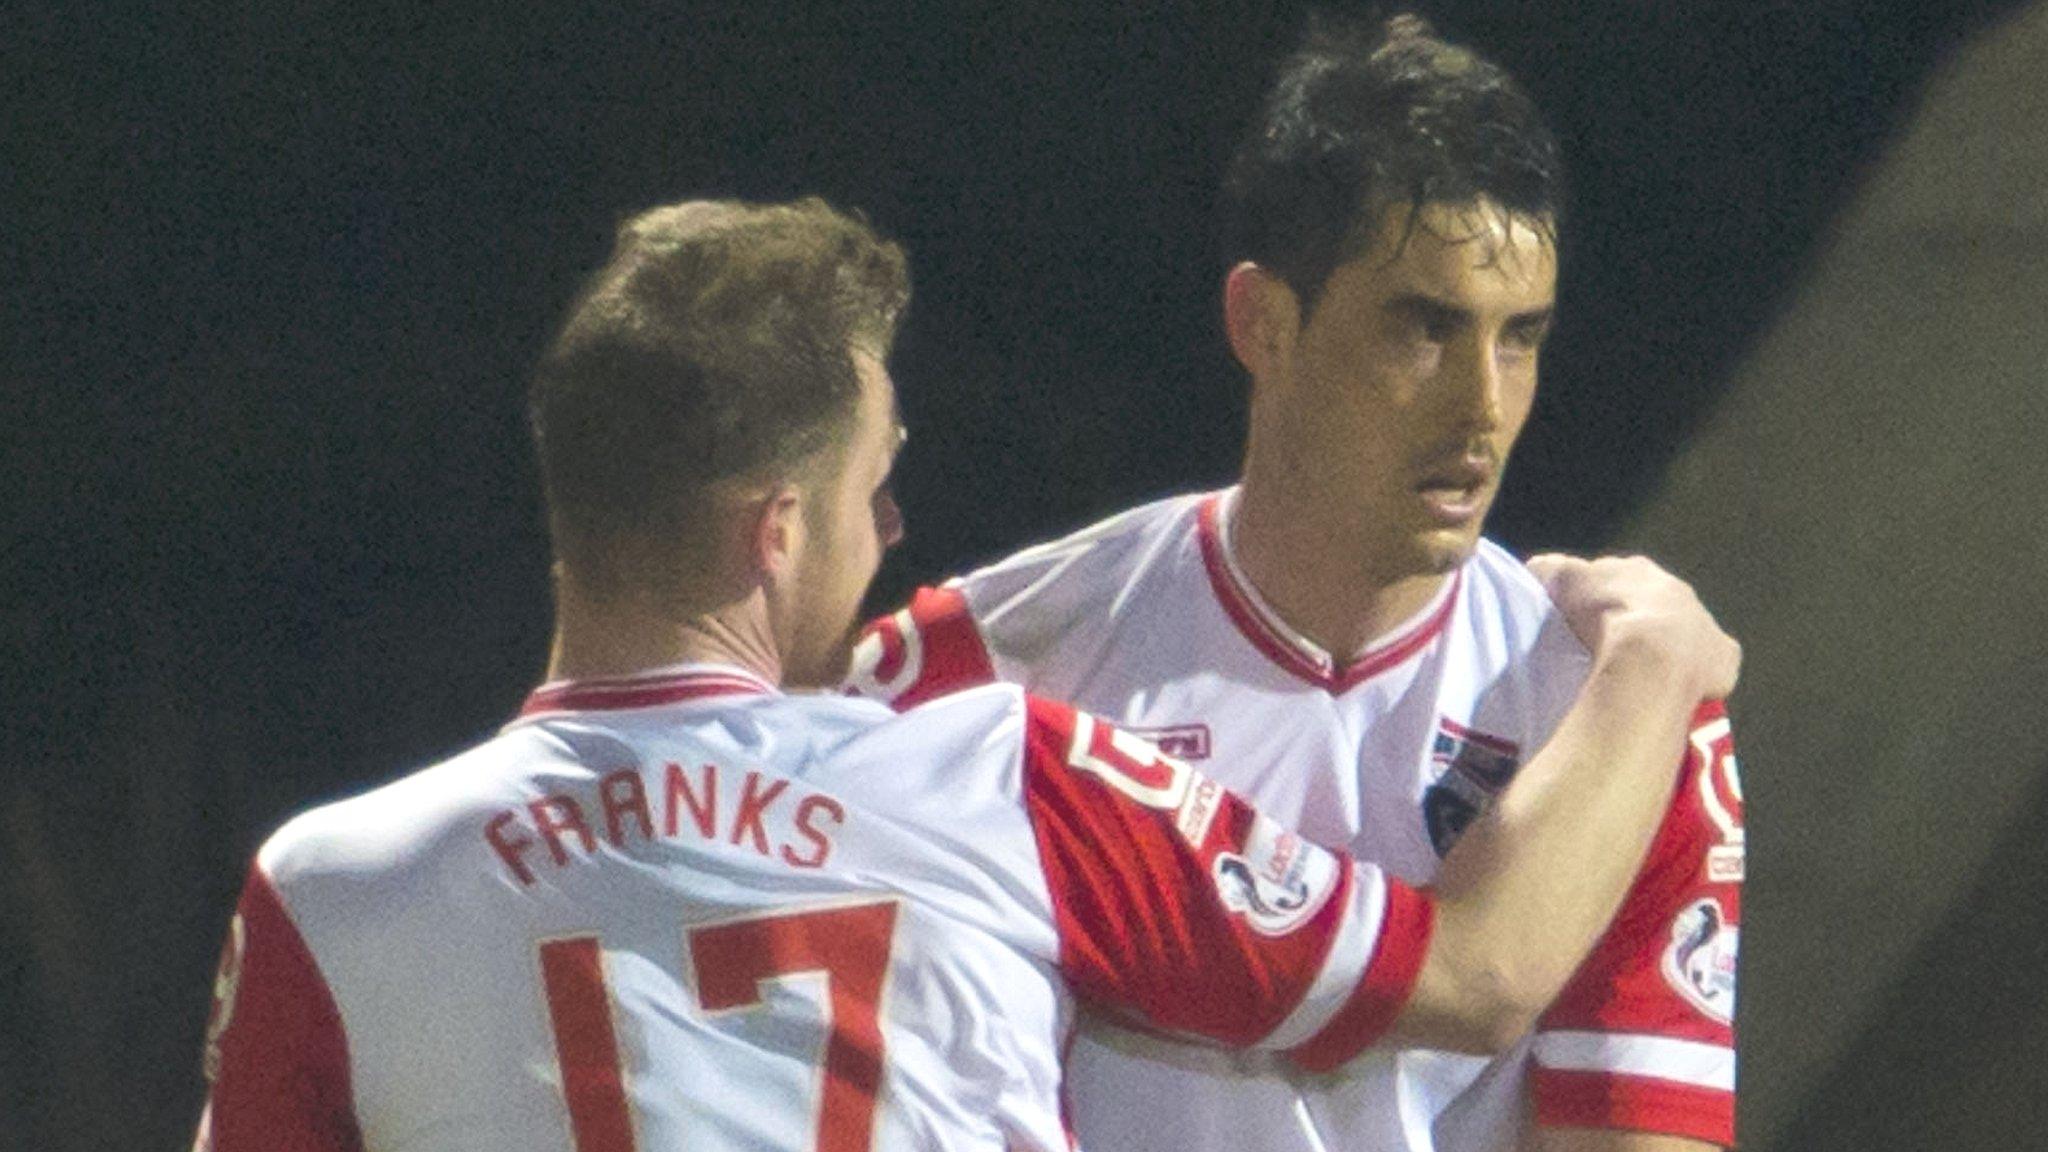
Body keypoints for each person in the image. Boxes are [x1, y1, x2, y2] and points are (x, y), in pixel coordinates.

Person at [193, 197, 1737, 1152]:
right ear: (775, 529)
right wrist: (1657, 663)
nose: (897, 531)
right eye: (876, 487)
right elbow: (1479, 970)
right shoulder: (1002, 770)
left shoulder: (333, 889)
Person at [845, 14, 1742, 1152]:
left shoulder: (1615, 713)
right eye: (1424, 327)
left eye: (1518, 338)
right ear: (1262, 322)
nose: (1482, 406)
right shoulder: (984, 672)